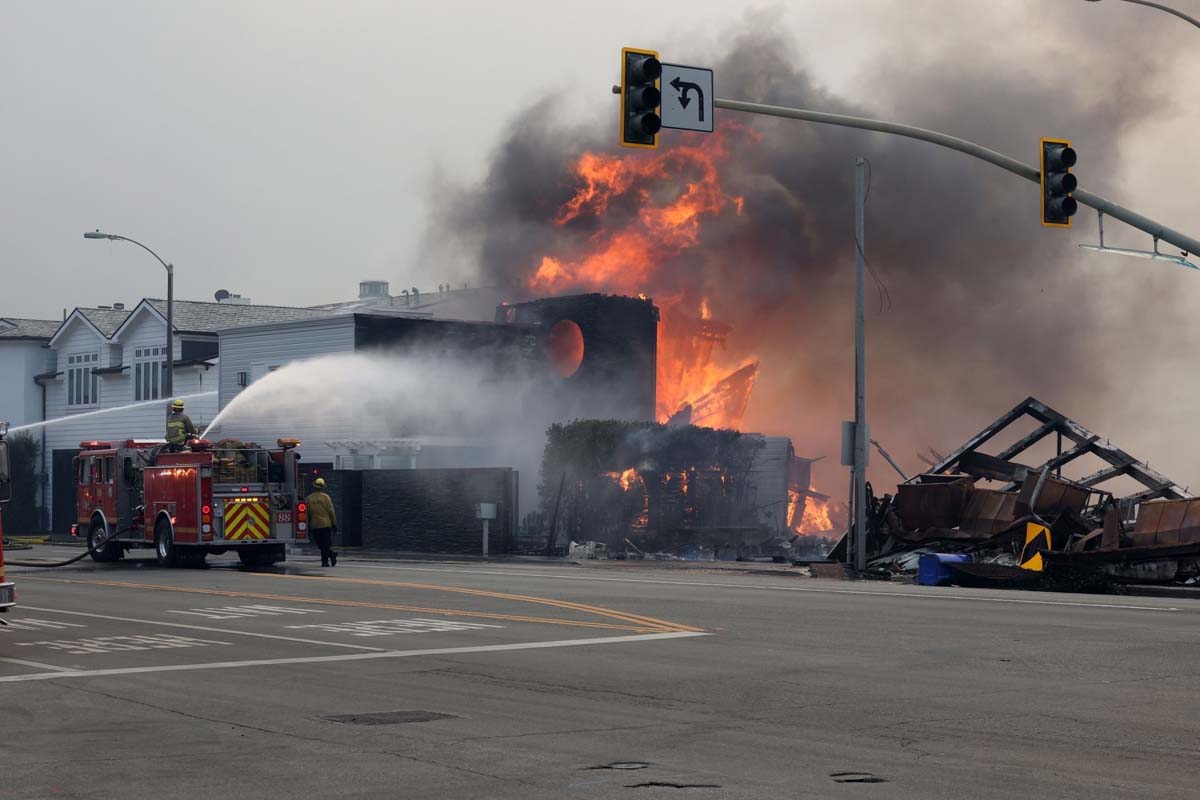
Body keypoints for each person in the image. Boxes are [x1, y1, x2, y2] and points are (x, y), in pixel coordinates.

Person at [307, 477, 338, 567]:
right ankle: (330, 556)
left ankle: (325, 560)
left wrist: (308, 526)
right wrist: (334, 524)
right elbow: (331, 511)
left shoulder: (309, 498)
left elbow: (307, 513)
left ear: (314, 486)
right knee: (325, 544)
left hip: (315, 525)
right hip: (326, 524)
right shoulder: (326, 497)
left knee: (320, 544)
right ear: (323, 487)